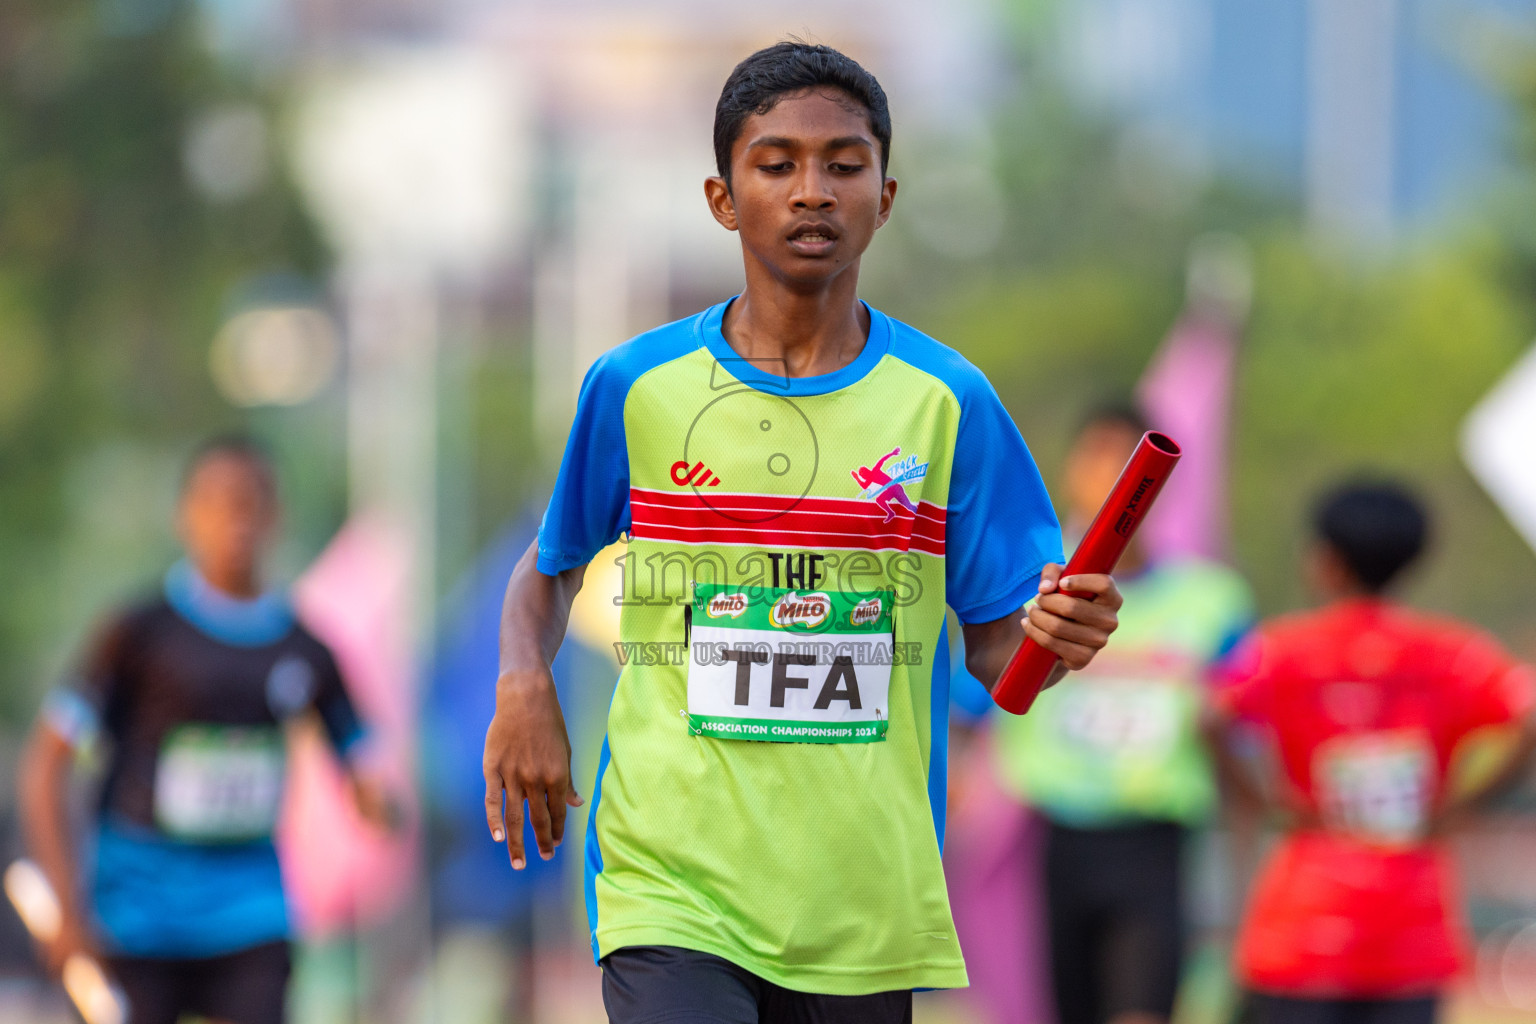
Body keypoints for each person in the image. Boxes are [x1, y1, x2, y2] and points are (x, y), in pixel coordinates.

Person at [481, 41, 1125, 1024]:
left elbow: (1003, 654)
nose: (812, 190)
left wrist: (1059, 637)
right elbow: (549, 565)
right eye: (776, 164)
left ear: (887, 194)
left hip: (862, 908)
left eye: (843, 164)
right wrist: (524, 682)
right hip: (671, 886)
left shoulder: (948, 403)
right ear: (723, 197)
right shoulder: (635, 386)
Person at [17, 436, 395, 1024]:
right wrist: (66, 907)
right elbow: (46, 763)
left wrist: (376, 798)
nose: (235, 521)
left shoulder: (304, 650)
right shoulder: (138, 636)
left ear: (275, 517)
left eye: (250, 504)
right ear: (186, 515)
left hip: (250, 910)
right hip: (137, 912)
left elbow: (361, 754)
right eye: (217, 503)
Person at [1206, 482, 1536, 1024]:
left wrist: (1262, 799)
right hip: (1409, 934)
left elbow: (1210, 713)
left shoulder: (1283, 649)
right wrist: (1462, 806)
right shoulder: (1451, 654)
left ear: (1327, 562)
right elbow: (1526, 714)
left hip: (1303, 926)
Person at [991, 406, 1254, 1024]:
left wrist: (1246, 863)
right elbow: (974, 704)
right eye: (1098, 457)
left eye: (1126, 464)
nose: (1111, 477)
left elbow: (1240, 735)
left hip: (1155, 841)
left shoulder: (1212, 602)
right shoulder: (1027, 591)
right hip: (1058, 838)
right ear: (1070, 472)